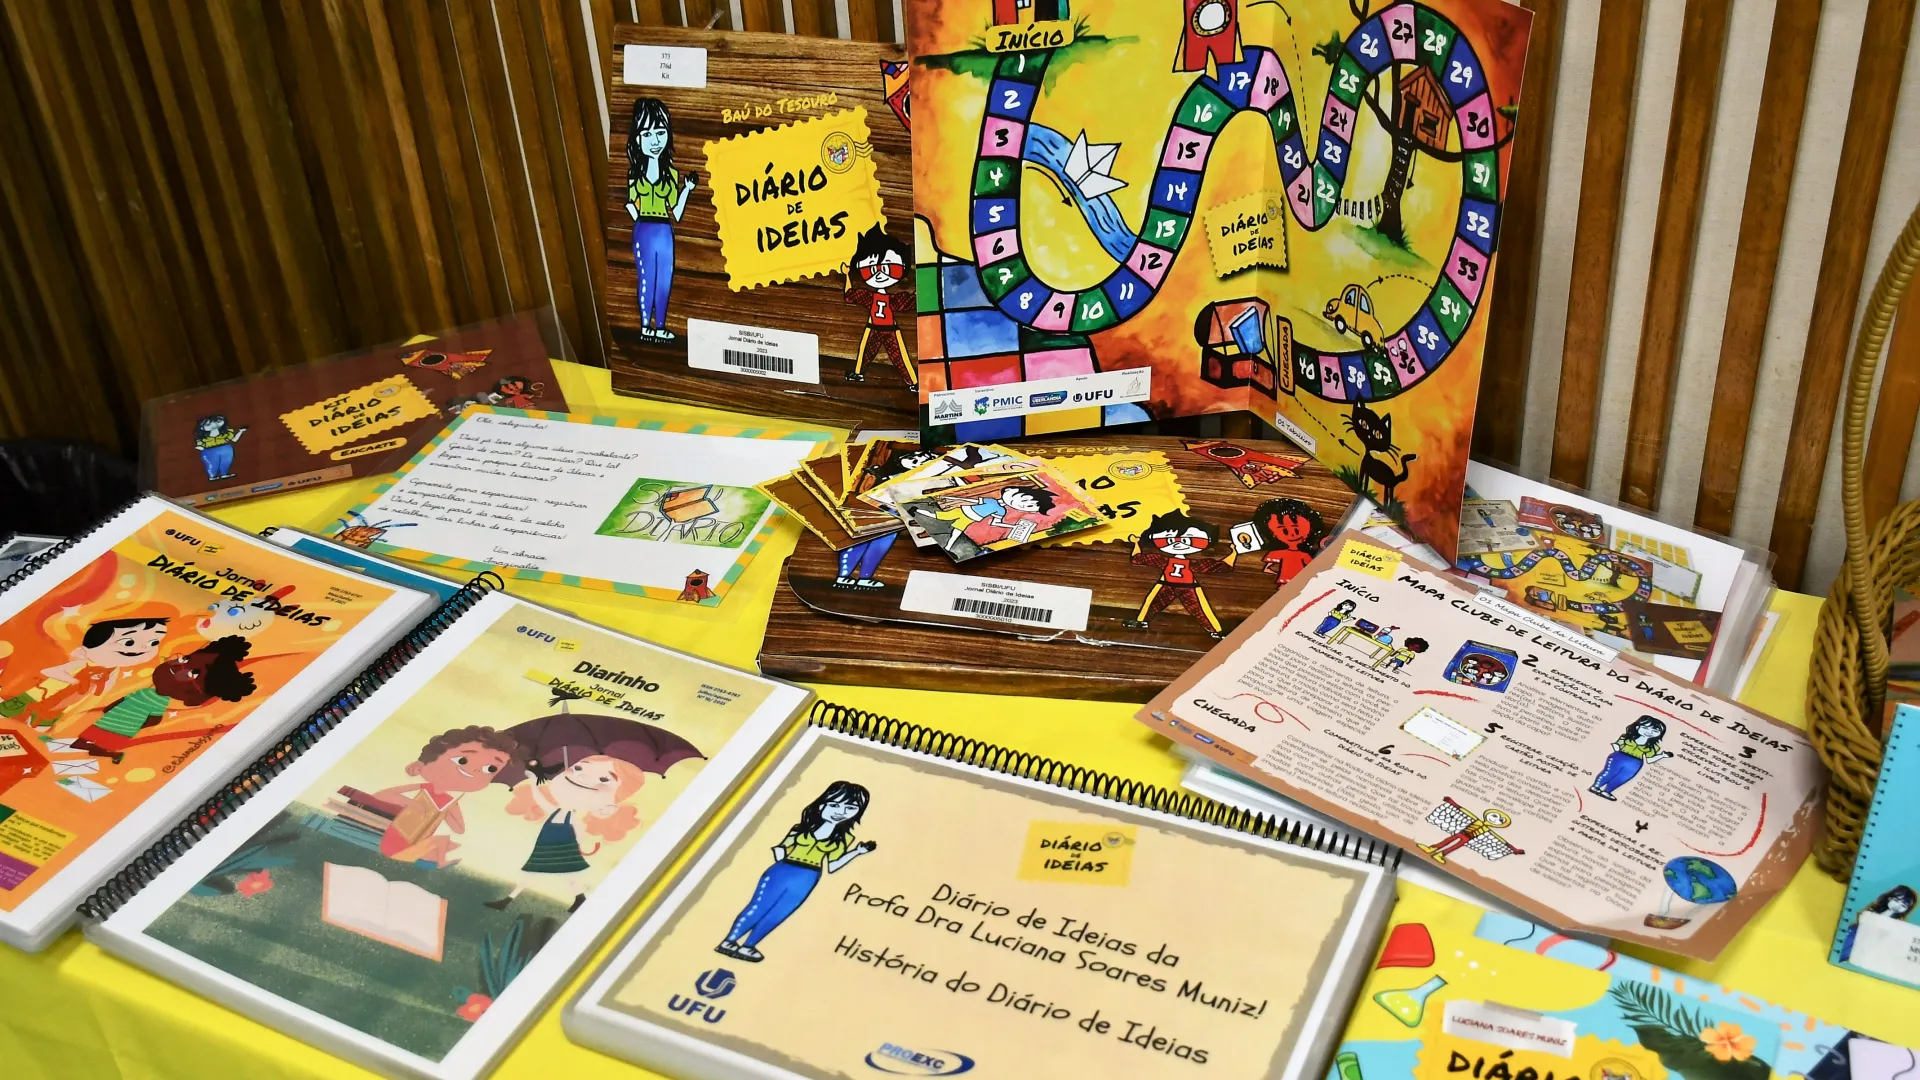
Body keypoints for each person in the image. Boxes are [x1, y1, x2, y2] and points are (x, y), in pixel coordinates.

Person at [717, 781, 877, 961]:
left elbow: (833, 865)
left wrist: (856, 852)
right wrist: (780, 854)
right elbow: (781, 849)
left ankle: (749, 945)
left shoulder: (845, 838)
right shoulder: (801, 828)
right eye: (834, 805)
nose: (841, 812)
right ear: (821, 805)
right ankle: (729, 941)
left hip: (809, 876)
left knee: (780, 912)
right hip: (783, 869)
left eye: (850, 808)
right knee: (759, 906)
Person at [489, 754, 650, 914]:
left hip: (560, 850)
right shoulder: (558, 811)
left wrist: (575, 846)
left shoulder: (571, 817)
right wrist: (533, 781)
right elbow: (540, 799)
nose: (582, 777)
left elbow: (579, 833)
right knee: (561, 876)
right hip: (546, 848)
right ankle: (578, 899)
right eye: (578, 768)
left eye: (604, 780)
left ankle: (510, 899)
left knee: (555, 875)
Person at [70, 637, 256, 763]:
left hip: (124, 725)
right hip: (116, 720)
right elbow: (130, 701)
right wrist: (113, 709)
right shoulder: (147, 692)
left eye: (191, 674)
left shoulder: (161, 701)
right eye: (184, 660)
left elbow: (154, 718)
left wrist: (133, 722)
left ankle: (106, 752)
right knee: (93, 737)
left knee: (104, 739)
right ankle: (98, 749)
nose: (177, 668)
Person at [372, 726, 523, 868]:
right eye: (462, 760)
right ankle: (435, 860)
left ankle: (436, 861)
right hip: (396, 839)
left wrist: (446, 814)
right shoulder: (422, 788)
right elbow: (381, 795)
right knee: (440, 841)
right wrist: (413, 804)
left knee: (444, 841)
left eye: (490, 769)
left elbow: (459, 829)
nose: (473, 770)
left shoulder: (450, 803)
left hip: (416, 843)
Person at [1, 613, 172, 726]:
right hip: (39, 695)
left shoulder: (113, 670)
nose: (143, 648)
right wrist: (75, 681)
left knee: (32, 728)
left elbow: (104, 689)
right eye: (128, 642)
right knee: (7, 714)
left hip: (62, 706)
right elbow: (50, 672)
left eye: (154, 642)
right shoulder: (83, 664)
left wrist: (93, 688)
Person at [625, 98, 697, 341]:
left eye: (660, 132)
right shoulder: (635, 175)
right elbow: (631, 203)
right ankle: (645, 325)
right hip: (644, 229)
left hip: (665, 230)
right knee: (647, 277)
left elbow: (677, 212)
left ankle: (661, 326)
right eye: (647, 134)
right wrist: (637, 219)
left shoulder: (671, 175)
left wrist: (687, 190)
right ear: (637, 140)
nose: (655, 141)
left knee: (664, 279)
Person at [842, 225, 916, 387]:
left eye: (889, 268)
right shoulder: (869, 297)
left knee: (899, 356)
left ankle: (913, 382)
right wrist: (847, 275)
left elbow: (911, 302)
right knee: (865, 351)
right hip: (873, 327)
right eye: (871, 269)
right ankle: (858, 373)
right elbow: (849, 295)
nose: (880, 274)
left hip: (890, 329)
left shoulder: (892, 299)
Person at [1589, 716, 1672, 801]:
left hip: (1635, 763)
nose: (1649, 732)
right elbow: (1617, 746)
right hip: (1620, 757)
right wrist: (1616, 748)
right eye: (1645, 728)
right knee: (1609, 773)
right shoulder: (1626, 738)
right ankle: (1596, 786)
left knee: (1623, 777)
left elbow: (1649, 759)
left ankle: (1607, 791)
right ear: (1637, 727)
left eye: (1655, 731)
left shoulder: (1653, 747)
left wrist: (1662, 756)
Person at [1839, 885, 1918, 962]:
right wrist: (1889, 911)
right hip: (1855, 933)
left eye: (1903, 905)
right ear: (1889, 898)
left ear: (1906, 909)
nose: (1898, 906)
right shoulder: (1875, 908)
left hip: (1867, 942)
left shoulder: (1898, 922)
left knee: (1849, 955)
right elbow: (1863, 920)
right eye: (1896, 900)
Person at [194, 415, 246, 481]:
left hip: (226, 449)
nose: (213, 425)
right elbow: (200, 445)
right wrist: (200, 447)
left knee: (226, 462)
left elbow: (234, 439)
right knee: (212, 464)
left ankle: (224, 474)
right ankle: (212, 476)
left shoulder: (226, 433)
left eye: (217, 421)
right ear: (201, 427)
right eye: (208, 424)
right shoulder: (202, 438)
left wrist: (240, 431)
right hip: (210, 451)